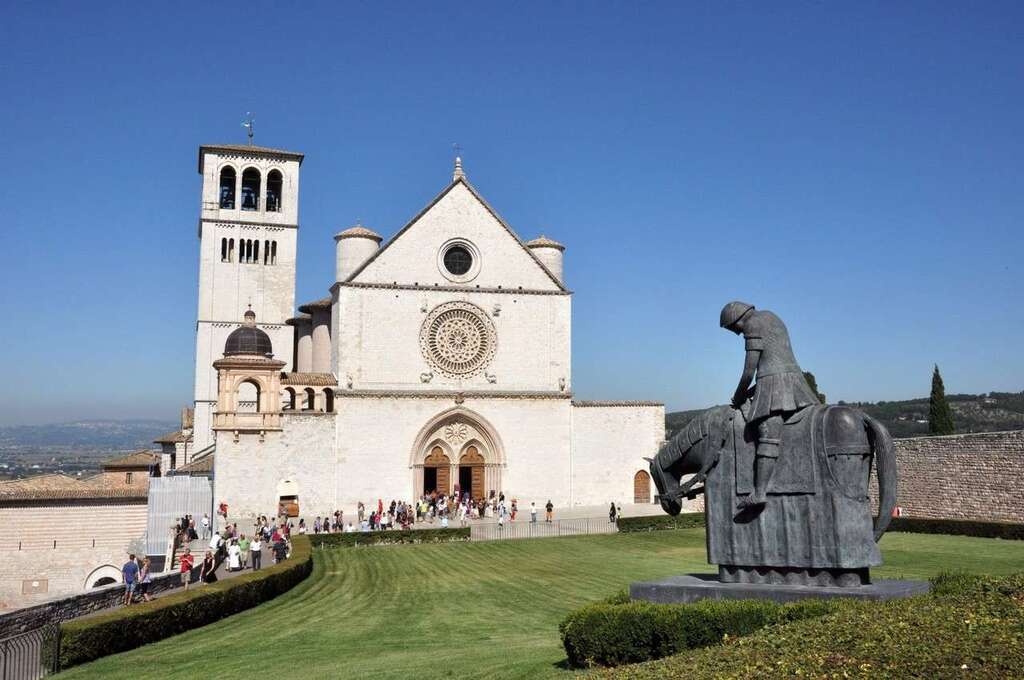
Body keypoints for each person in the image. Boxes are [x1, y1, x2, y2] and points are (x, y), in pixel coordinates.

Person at [720, 301, 820, 510]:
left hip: (776, 384)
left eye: (733, 328)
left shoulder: (752, 324)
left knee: (767, 431)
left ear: (737, 318)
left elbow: (750, 369)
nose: (737, 333)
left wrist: (739, 395)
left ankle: (759, 492)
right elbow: (775, 360)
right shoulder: (771, 316)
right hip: (792, 380)